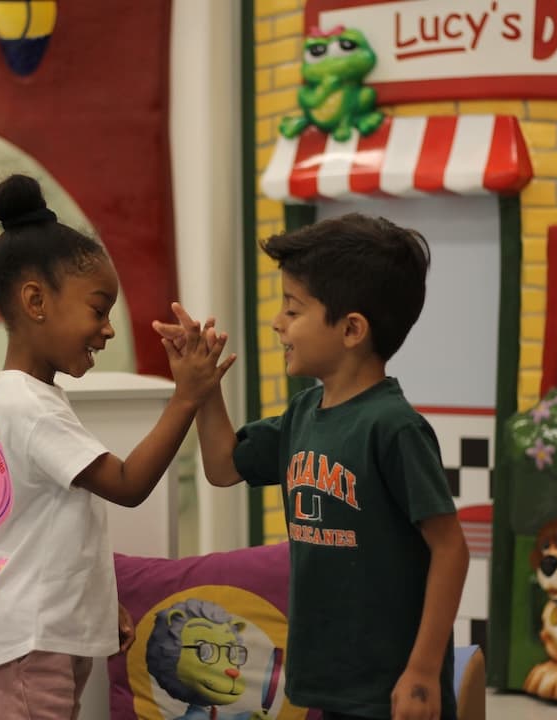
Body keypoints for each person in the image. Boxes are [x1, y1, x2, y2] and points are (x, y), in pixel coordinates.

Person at [154, 213, 469, 720]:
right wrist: (202, 387)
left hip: (392, 687)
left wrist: (424, 671)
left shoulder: (393, 427)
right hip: (327, 678)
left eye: (293, 310)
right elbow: (223, 466)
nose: (278, 322)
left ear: (351, 329)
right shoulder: (304, 414)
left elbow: (450, 548)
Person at [0, 173, 235, 720]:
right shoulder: (30, 408)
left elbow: (51, 531)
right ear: (36, 301)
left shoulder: (30, 399)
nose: (107, 330)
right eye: (98, 308)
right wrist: (187, 398)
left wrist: (97, 605)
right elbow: (127, 486)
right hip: (24, 647)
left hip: (35, 639)